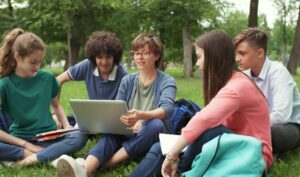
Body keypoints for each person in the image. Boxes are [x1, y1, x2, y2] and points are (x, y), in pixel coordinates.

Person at [129, 29, 272, 177]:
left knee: (200, 132)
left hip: (250, 154)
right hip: (226, 145)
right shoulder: (230, 81)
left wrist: (173, 154)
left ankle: (179, 168)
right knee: (161, 147)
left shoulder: (237, 87)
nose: (197, 63)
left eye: (199, 57)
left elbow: (204, 119)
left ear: (213, 57)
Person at [56, 33, 177, 177]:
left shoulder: (167, 81)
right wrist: (123, 121)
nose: (140, 57)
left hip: (151, 134)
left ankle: (106, 164)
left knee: (156, 124)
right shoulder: (128, 80)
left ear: (156, 56)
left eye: (146, 53)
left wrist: (141, 117)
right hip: (129, 130)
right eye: (137, 53)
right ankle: (84, 170)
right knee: (111, 132)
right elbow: (118, 109)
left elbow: (167, 109)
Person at [0, 28, 87, 165]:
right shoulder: (4, 85)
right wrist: (26, 145)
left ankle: (26, 161)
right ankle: (50, 157)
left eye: (40, 62)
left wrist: (66, 126)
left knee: (80, 136)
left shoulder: (47, 78)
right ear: (17, 57)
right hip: (21, 140)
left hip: (50, 137)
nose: (37, 66)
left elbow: (56, 105)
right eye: (33, 62)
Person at [234, 28, 300, 154]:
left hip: (292, 125)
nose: (237, 59)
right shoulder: (244, 75)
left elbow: (281, 116)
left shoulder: (278, 73)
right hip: (262, 123)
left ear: (260, 53)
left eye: (242, 54)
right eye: (236, 53)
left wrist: (249, 126)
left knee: (274, 133)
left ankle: (265, 151)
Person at [56, 31, 127, 126]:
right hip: (90, 116)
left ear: (115, 57)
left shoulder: (123, 74)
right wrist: (56, 113)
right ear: (93, 57)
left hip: (111, 121)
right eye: (100, 57)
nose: (104, 62)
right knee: (57, 123)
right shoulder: (87, 65)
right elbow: (58, 80)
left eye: (108, 57)